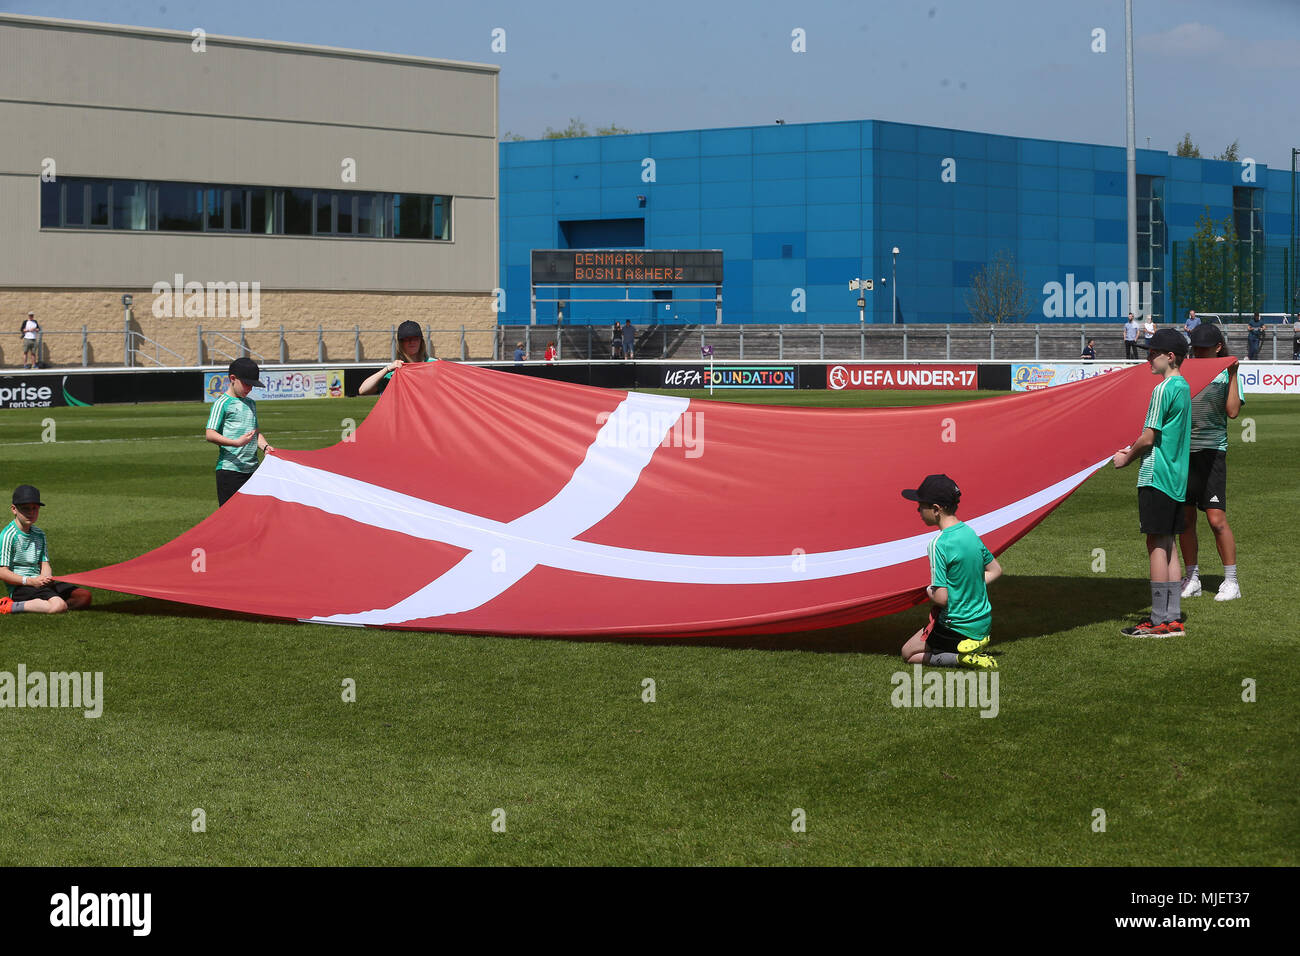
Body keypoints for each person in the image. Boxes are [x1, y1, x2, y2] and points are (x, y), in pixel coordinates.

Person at [1111, 328, 1192, 637]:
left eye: (1152, 353)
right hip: (1176, 477)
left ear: (1169, 357)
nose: (1147, 357)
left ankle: (1158, 620)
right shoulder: (1183, 386)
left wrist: (1126, 457)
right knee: (1169, 543)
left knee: (1156, 544)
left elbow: (1148, 436)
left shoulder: (1163, 389)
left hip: (1156, 475)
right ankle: (1171, 618)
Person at [899, 474, 1001, 670]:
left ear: (936, 509)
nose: (918, 509)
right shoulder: (969, 532)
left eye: (921, 505)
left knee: (908, 653)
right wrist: (967, 586)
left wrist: (928, 590)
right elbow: (995, 570)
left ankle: (961, 656)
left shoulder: (939, 544)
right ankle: (971, 644)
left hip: (957, 627)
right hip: (983, 624)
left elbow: (941, 599)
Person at [1179, 324, 1243, 602]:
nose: (1199, 352)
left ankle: (1231, 581)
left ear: (1218, 347)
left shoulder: (1225, 373)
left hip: (1212, 452)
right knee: (1185, 519)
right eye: (1196, 347)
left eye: (1204, 347)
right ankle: (1191, 577)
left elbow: (1232, 412)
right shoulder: (1184, 370)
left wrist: (1232, 374)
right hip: (1182, 453)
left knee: (1216, 519)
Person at [0, 485, 92, 615]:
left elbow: (44, 563)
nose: (31, 513)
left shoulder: (39, 534)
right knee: (57, 605)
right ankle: (10, 606)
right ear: (14, 509)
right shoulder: (8, 536)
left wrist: (46, 576)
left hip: (40, 584)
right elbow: (2, 572)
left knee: (84, 596)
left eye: (35, 508)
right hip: (22, 587)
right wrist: (30, 581)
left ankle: (53, 604)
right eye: (26, 509)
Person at [205, 357, 274, 507]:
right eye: (247, 384)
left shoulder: (251, 403)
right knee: (231, 520)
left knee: (254, 516)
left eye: (252, 386)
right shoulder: (222, 403)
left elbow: (255, 433)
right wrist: (235, 443)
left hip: (253, 470)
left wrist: (266, 447)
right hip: (230, 472)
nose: (249, 389)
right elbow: (210, 434)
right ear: (233, 379)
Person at [358, 320, 432, 395]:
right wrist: (387, 369)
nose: (411, 341)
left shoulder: (433, 364)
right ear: (401, 343)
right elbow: (363, 390)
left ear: (421, 341)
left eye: (415, 338)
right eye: (406, 339)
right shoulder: (394, 372)